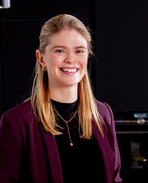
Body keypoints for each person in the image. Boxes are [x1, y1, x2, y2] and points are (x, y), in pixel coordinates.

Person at [0, 14, 122, 183]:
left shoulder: (104, 113)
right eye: (59, 50)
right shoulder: (16, 122)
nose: (71, 59)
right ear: (41, 58)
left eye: (79, 51)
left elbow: (115, 179)